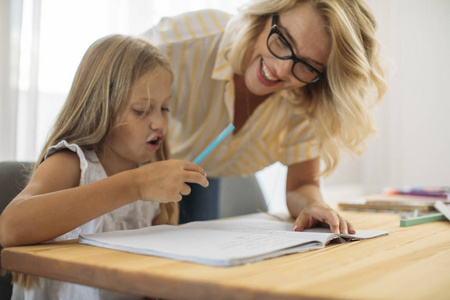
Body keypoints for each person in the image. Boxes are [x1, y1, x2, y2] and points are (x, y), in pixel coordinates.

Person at [142, 0, 387, 232]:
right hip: (128, 164)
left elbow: (302, 186)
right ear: (264, 16)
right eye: (282, 40)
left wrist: (314, 205)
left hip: (196, 177)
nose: (280, 69)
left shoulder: (306, 101)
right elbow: (106, 99)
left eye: (308, 66)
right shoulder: (180, 43)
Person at [0, 34, 209, 299]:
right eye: (141, 110)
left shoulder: (153, 187)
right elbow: (10, 228)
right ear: (101, 107)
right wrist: (136, 185)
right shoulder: (73, 163)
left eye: (165, 108)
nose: (159, 123)